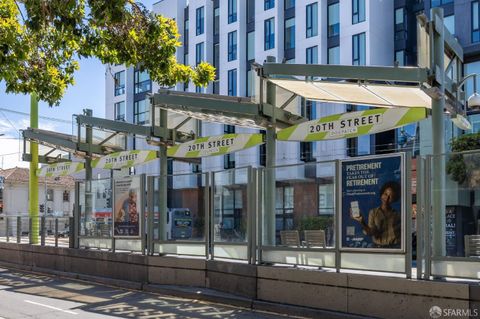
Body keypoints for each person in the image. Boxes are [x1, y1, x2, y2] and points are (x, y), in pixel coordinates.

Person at [351, 181, 401, 248]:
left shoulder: (397, 215)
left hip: (395, 248)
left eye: (390, 196)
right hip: (378, 248)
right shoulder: (373, 212)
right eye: (385, 194)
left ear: (394, 199)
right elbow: (371, 233)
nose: (386, 198)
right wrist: (362, 222)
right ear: (381, 194)